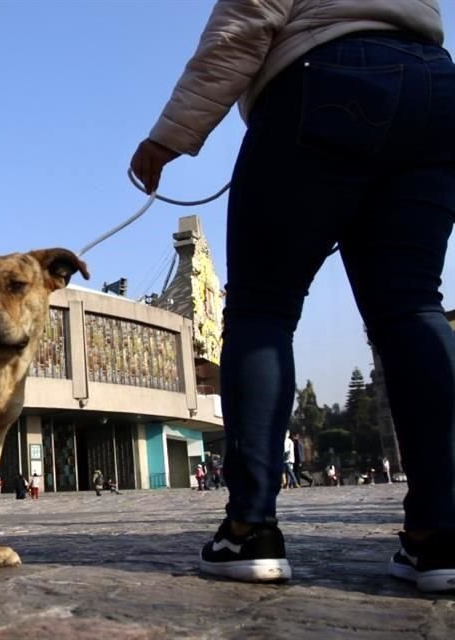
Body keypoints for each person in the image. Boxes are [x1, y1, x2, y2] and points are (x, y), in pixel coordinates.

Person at [130, 1, 455, 592]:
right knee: (412, 307)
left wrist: (169, 136)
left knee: (262, 309)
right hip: (436, 89)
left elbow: (244, 25)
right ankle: (440, 535)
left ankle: (249, 528)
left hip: (322, 83)